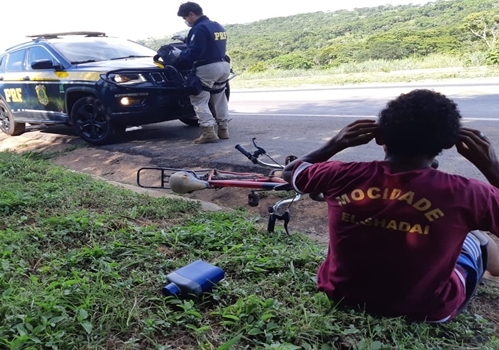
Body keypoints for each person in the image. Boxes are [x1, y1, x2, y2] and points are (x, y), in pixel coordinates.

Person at [281, 89, 499, 322]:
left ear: (380, 137)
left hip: (340, 295)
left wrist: (335, 143)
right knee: (477, 238)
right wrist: (491, 167)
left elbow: (291, 171)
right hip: (428, 310)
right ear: (448, 143)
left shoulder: (340, 175)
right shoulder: (471, 193)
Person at [173, 2, 231, 144]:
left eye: (185, 18)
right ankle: (223, 129)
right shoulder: (217, 25)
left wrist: (180, 55)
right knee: (219, 97)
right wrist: (186, 40)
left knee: (199, 99)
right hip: (223, 66)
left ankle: (208, 132)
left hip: (207, 67)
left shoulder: (199, 28)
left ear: (191, 14)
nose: (186, 21)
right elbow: (209, 43)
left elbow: (195, 52)